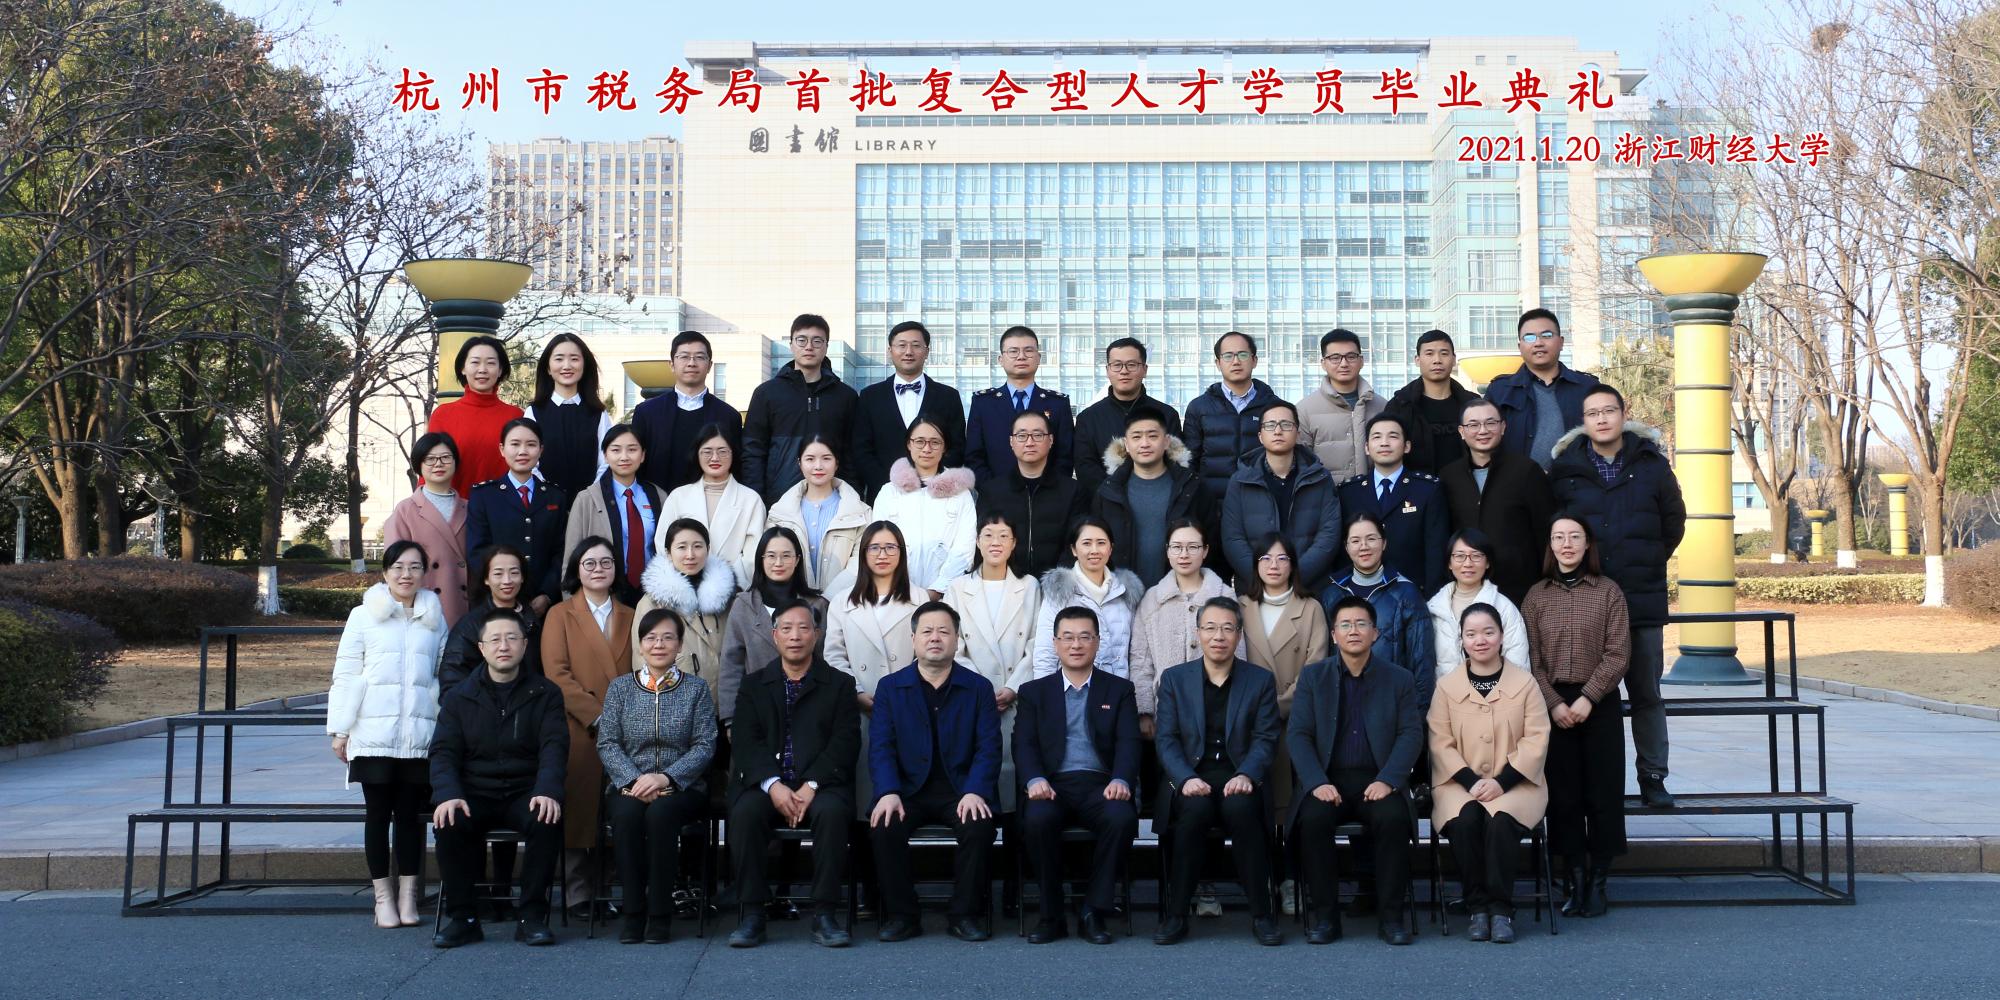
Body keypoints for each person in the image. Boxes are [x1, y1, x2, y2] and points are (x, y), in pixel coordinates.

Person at [1548, 384, 1685, 809]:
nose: (1602, 419)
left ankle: (1653, 776)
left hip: (1640, 598)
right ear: (1583, 421)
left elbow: (1673, 523)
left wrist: (1646, 559)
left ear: (1624, 414)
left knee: (1645, 692)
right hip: (1586, 600)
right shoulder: (1566, 469)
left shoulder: (1651, 464)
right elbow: (1557, 528)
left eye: (1609, 411)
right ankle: (1593, 782)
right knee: (1590, 693)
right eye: (1593, 413)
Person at [725, 599, 863, 949]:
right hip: (767, 783)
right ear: (775, 636)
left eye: (804, 628)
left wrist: (811, 785)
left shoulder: (840, 684)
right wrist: (773, 785)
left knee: (832, 814)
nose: (795, 636)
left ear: (816, 635)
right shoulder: (754, 685)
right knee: (745, 812)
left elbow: (845, 741)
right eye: (786, 629)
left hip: (821, 783)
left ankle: (825, 913)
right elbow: (745, 741)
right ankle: (752, 913)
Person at [1286, 596, 1422, 947]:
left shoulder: (1399, 679)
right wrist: (1316, 782)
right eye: (1345, 625)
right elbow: (1298, 734)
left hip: (1378, 778)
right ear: (1333, 635)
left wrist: (1388, 780)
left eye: (1362, 624)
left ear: (1375, 633)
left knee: (1393, 820)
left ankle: (1391, 918)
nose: (1353, 631)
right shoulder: (1313, 677)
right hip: (1327, 779)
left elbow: (1411, 733)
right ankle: (1326, 918)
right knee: (1313, 821)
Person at [429, 608, 568, 949]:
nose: (503, 646)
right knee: (449, 820)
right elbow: (443, 752)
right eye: (494, 640)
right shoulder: (459, 696)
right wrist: (448, 794)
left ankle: (531, 916)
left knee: (546, 817)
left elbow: (554, 747)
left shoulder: (546, 693)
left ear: (524, 644)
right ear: (481, 648)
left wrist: (547, 790)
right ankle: (463, 918)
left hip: (525, 791)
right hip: (475, 792)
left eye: (511, 638)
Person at [327, 540, 447, 929]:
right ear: (385, 572)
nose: (406, 574)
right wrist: (340, 729)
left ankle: (408, 897)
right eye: (398, 567)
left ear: (424, 573)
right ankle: (382, 899)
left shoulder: (434, 616)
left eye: (414, 567)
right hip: (372, 732)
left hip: (419, 734)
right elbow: (346, 672)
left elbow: (442, 673)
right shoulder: (363, 616)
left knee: (410, 817)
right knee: (378, 815)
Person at [867, 602, 1003, 942]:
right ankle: (902, 915)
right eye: (927, 631)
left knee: (979, 825)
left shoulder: (978, 688)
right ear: (913, 639)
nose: (935, 638)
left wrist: (975, 790)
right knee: (884, 824)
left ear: (957, 640)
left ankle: (964, 914)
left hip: (961, 789)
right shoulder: (890, 687)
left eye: (944, 631)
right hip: (907, 790)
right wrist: (888, 792)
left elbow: (989, 747)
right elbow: (881, 746)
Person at [1153, 597, 1282, 947]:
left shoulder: (1259, 680)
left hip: (1239, 775)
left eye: (1227, 628)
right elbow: (1166, 739)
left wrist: (1247, 774)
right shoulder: (1175, 679)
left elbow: (1266, 738)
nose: (1218, 636)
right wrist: (1185, 779)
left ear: (1239, 635)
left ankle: (1262, 914)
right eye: (1210, 628)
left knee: (1242, 810)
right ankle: (1176, 914)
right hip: (1192, 776)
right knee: (1193, 813)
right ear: (1198, 633)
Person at [1521, 516, 1631, 918]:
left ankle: (1599, 880)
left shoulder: (1608, 592)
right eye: (1558, 538)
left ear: (1587, 545)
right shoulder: (1536, 596)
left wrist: (1589, 697)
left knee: (1603, 794)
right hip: (1552, 704)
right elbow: (1530, 658)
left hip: (1598, 703)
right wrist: (1553, 702)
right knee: (1564, 797)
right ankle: (1574, 879)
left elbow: (1618, 653)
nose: (1566, 544)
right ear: (1550, 546)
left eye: (1574, 537)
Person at [1014, 606, 1141, 945]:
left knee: (1121, 818)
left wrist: (1121, 779)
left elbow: (1129, 742)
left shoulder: (1119, 689)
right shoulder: (1034, 692)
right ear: (1055, 643)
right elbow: (1023, 744)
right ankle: (1051, 915)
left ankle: (1093, 910)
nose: (1076, 645)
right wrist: (1034, 779)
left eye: (1085, 637)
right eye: (1068, 637)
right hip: (1051, 785)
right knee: (1037, 820)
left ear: (1097, 642)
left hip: (1101, 784)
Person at [597, 606, 719, 944]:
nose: (659, 644)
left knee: (661, 815)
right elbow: (607, 742)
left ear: (679, 645)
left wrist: (666, 778)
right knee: (627, 817)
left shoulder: (696, 689)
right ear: (640, 645)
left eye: (668, 638)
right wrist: (633, 779)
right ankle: (633, 913)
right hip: (629, 786)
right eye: (651, 638)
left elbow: (705, 744)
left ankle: (660, 914)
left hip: (682, 787)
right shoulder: (621, 689)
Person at [1432, 602, 1551, 944]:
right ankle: (1477, 907)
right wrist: (1471, 782)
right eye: (1471, 634)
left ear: (1501, 636)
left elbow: (1536, 738)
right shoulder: (1447, 687)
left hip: (1517, 784)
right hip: (1459, 784)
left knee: (1500, 822)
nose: (1480, 640)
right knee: (1465, 821)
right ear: (1461, 640)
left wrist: (1502, 782)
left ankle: (1500, 909)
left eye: (1488, 632)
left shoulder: (1525, 684)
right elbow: (1440, 742)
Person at [540, 537, 635, 921]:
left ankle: (608, 889)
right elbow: (556, 675)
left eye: (606, 562)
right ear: (576, 570)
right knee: (580, 810)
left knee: (617, 810)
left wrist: (626, 718)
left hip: (628, 728)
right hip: (580, 727)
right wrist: (597, 715)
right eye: (589, 563)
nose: (598, 569)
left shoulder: (632, 614)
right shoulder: (560, 615)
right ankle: (578, 893)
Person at [942, 514, 1040, 813]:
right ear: (977, 541)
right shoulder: (958, 587)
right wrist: (983, 689)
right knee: (976, 773)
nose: (995, 542)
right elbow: (952, 646)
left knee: (1015, 780)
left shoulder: (1029, 586)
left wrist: (1013, 687)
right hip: (971, 695)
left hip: (1016, 695)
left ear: (1014, 543)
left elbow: (1037, 644)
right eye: (988, 535)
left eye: (1003, 536)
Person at [1237, 533, 1329, 848]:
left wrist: (1279, 706)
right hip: (1249, 722)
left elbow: (1315, 667)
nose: (1273, 565)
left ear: (1293, 565)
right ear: (1255, 565)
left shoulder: (1311, 608)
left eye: (1281, 558)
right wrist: (1256, 710)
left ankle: (1291, 871)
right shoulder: (1241, 607)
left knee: (1293, 811)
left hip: (1295, 720)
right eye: (1265, 558)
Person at [825, 520, 920, 816]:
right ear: (863, 553)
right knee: (864, 791)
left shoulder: (918, 598)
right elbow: (834, 656)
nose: (882, 555)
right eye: (874, 548)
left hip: (908, 704)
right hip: (858, 706)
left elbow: (927, 653)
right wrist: (857, 692)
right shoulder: (842, 601)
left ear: (901, 553)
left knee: (900, 795)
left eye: (890, 547)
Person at [1438, 398, 1556, 606]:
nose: (1482, 430)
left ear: (1503, 427)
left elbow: (1545, 531)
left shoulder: (1527, 471)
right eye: (1473, 425)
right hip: (1466, 590)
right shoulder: (1449, 476)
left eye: (1490, 423)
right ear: (1462, 431)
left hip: (1520, 589)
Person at [1128, 519, 1234, 748]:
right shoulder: (1152, 599)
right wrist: (1144, 710)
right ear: (1167, 551)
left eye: (1193, 547)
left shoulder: (1224, 596)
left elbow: (1238, 655)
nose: (1184, 554)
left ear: (1205, 551)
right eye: (1176, 547)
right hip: (1166, 713)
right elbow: (1141, 660)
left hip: (1216, 713)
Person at [1220, 400, 1343, 587]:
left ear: (1297, 433)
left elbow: (1329, 535)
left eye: (1286, 424)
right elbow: (1233, 538)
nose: (1278, 431)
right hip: (1255, 589)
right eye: (1270, 425)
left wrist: (1296, 578)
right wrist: (1261, 578)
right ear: (1260, 436)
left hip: (1308, 588)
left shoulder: (1320, 478)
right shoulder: (1240, 481)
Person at [741, 313, 860, 504]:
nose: (809, 347)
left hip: (833, 500)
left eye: (817, 341)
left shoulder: (845, 396)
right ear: (791, 345)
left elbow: (852, 455)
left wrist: (853, 498)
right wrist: (756, 500)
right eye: (801, 340)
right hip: (779, 500)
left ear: (826, 346)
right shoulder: (767, 393)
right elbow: (752, 451)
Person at [719, 527, 828, 730]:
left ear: (797, 560)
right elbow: (731, 665)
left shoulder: (817, 605)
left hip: (809, 712)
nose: (778, 563)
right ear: (761, 559)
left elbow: (824, 660)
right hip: (756, 713)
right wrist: (731, 719)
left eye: (786, 556)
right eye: (771, 556)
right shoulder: (743, 605)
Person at [849, 320, 967, 501]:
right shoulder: (869, 396)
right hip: (885, 495)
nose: (908, 352)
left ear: (926, 352)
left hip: (936, 497)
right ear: (890, 351)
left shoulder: (948, 396)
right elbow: (861, 449)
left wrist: (931, 483)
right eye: (901, 345)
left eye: (916, 345)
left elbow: (957, 447)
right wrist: (888, 486)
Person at [1322, 514, 1436, 698]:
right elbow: (1325, 657)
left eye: (1371, 539)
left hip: (1392, 700)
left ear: (1384, 543)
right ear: (1346, 547)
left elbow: (1422, 661)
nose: (1364, 546)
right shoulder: (1332, 594)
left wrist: (1418, 710)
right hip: (1342, 699)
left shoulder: (1407, 594)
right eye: (1355, 541)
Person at [1336, 414, 1450, 594]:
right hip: (1359, 595)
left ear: (1407, 446)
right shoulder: (1349, 492)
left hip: (1413, 592)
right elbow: (1342, 549)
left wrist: (1430, 596)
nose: (1384, 443)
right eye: (1377, 437)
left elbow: (1436, 549)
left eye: (1393, 436)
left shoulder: (1428, 489)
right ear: (1366, 447)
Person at [464, 417, 568, 612]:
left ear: (541, 450)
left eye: (531, 445)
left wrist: (547, 594)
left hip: (544, 604)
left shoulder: (555, 496)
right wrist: (503, 594)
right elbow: (477, 552)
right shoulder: (484, 495)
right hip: (496, 603)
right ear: (502, 449)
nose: (523, 451)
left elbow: (561, 552)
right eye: (515, 444)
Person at [1092, 410, 1205, 589]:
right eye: (1136, 437)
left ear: (1166, 441)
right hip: (1120, 593)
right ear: (1126, 444)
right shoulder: (1109, 491)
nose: (1144, 444)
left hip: (1180, 592)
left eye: (1152, 436)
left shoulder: (1191, 487)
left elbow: (1211, 543)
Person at [634, 519, 737, 710]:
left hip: (726, 708)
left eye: (697, 546)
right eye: (681, 547)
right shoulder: (652, 603)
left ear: (708, 549)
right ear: (668, 552)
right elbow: (642, 663)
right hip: (677, 710)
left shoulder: (727, 596)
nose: (690, 554)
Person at [869, 416, 977, 600]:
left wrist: (938, 590)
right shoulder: (889, 492)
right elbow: (879, 545)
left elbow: (964, 549)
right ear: (909, 444)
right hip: (896, 595)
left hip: (946, 596)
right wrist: (901, 591)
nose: (927, 449)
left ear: (945, 447)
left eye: (935, 442)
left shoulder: (960, 494)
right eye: (920, 441)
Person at [1183, 331, 1282, 526]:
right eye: (1228, 356)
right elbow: (1189, 461)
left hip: (1262, 507)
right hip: (1212, 507)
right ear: (1218, 363)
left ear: (1254, 360)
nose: (1236, 361)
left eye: (1242, 355)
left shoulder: (1274, 407)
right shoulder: (1199, 407)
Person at [1484, 308, 1602, 470]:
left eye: (1547, 335)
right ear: (1520, 346)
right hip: (1516, 482)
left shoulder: (1588, 387)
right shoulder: (1500, 391)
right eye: (1529, 337)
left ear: (1561, 342)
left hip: (1577, 481)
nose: (1538, 343)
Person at [974, 408, 1083, 580]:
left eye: (1038, 435)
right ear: (1011, 441)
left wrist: (1055, 582)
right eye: (1022, 436)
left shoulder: (1072, 491)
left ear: (1051, 440)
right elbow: (984, 543)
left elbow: (1076, 541)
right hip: (1007, 583)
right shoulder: (991, 491)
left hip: (1057, 585)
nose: (1030, 442)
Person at [562, 424, 664, 607]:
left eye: (632, 449)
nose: (624, 457)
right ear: (605, 455)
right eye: (616, 450)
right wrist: (571, 606)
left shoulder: (658, 496)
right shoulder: (587, 499)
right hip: (603, 596)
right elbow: (571, 558)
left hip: (653, 594)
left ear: (642, 455)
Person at [630, 331, 743, 494]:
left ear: (709, 365)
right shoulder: (647, 412)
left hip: (712, 500)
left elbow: (736, 468)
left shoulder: (729, 416)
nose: (691, 363)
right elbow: (636, 464)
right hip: (657, 501)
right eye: (684, 357)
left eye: (699, 357)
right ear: (671, 364)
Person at [1032, 517, 1142, 681]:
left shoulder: (1126, 592)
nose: (1094, 550)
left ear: (1110, 549)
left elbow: (1137, 653)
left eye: (1101, 543)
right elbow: (1045, 653)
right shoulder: (1059, 592)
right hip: (1072, 689)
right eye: (1087, 543)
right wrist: (1045, 693)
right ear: (1074, 549)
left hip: (1118, 690)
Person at [660, 423, 766, 590]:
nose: (715, 458)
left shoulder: (751, 500)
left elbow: (753, 554)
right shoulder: (678, 497)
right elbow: (663, 543)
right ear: (697, 454)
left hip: (733, 590)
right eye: (707, 451)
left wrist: (723, 586)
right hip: (683, 588)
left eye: (722, 451)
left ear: (733, 453)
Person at [1073, 337, 1182, 498]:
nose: (1124, 371)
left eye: (1131, 365)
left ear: (1144, 369)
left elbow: (1176, 463)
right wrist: (1114, 496)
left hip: (1157, 499)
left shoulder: (1167, 414)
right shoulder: (1088, 418)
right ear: (1108, 370)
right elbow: (1086, 468)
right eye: (1117, 365)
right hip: (1105, 503)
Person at [966, 325, 1074, 485]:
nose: (1021, 357)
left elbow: (1065, 457)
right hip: (995, 495)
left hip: (1047, 494)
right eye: (1013, 351)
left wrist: (1048, 492)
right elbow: (974, 456)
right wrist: (994, 490)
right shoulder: (983, 403)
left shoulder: (1058, 404)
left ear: (1039, 357)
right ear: (1001, 359)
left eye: (1028, 351)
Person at [383, 432, 470, 627]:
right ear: (419, 465)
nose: (438, 464)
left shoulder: (471, 508)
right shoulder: (405, 510)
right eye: (430, 459)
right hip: (423, 609)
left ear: (455, 462)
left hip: (466, 607)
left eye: (445, 457)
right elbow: (396, 567)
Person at [766, 436, 871, 591]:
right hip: (792, 601)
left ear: (836, 463)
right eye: (810, 459)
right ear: (799, 463)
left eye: (826, 458)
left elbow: (860, 562)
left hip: (843, 600)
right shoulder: (779, 513)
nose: (818, 466)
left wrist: (828, 598)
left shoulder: (859, 512)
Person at [427, 334, 523, 497]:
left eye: (491, 363)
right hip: (454, 508)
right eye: (475, 362)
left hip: (505, 508)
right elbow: (429, 467)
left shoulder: (516, 416)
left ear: (500, 370)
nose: (482, 369)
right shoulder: (443, 414)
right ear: (463, 368)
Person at [1427, 530, 1531, 677]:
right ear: (1449, 563)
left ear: (1487, 562)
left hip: (1495, 690)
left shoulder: (1504, 607)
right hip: (1444, 691)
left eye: (1476, 556)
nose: (1468, 563)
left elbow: (1518, 664)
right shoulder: (1433, 608)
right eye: (1460, 556)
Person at [440, 545, 541, 692]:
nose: (507, 580)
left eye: (514, 573)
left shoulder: (534, 620)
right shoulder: (470, 625)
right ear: (486, 579)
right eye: (498, 574)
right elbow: (452, 680)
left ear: (522, 577)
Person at [525, 333, 612, 500]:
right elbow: (529, 461)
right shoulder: (534, 412)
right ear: (548, 368)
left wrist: (589, 496)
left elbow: (607, 460)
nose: (567, 366)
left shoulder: (598, 413)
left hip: (591, 503)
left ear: (584, 365)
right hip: (544, 502)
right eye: (559, 359)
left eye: (574, 359)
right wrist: (549, 493)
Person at [1382, 329, 1482, 475]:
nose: (1437, 360)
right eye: (1429, 354)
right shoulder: (1400, 405)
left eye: (1444, 353)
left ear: (1454, 359)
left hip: (1466, 485)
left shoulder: (1473, 404)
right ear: (1417, 360)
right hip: (1415, 486)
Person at [1297, 328, 1387, 481]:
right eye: (1335, 358)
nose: (1344, 364)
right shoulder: (1304, 410)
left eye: (1351, 357)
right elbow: (1301, 463)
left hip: (1374, 493)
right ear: (1323, 363)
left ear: (1361, 361)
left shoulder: (1382, 406)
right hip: (1327, 493)